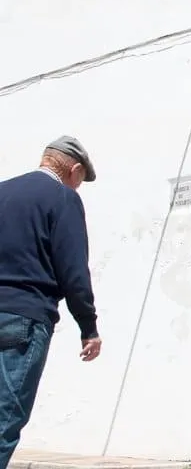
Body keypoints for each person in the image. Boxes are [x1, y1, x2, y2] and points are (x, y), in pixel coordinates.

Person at [0, 136, 101, 468]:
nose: (77, 189)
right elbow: (73, 269)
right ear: (73, 170)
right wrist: (88, 327)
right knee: (4, 418)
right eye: (80, 182)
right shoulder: (63, 199)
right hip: (23, 318)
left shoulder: (3, 191)